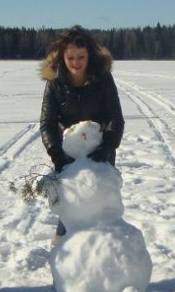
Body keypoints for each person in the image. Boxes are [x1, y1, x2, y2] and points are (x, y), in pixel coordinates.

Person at [39, 26, 124, 238]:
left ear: (89, 56)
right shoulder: (55, 83)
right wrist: (56, 152)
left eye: (81, 57)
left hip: (99, 152)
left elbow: (115, 117)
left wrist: (108, 146)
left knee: (101, 202)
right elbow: (47, 122)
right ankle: (63, 249)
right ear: (62, 57)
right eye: (71, 57)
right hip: (68, 154)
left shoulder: (103, 78)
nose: (76, 62)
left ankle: (104, 250)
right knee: (70, 202)